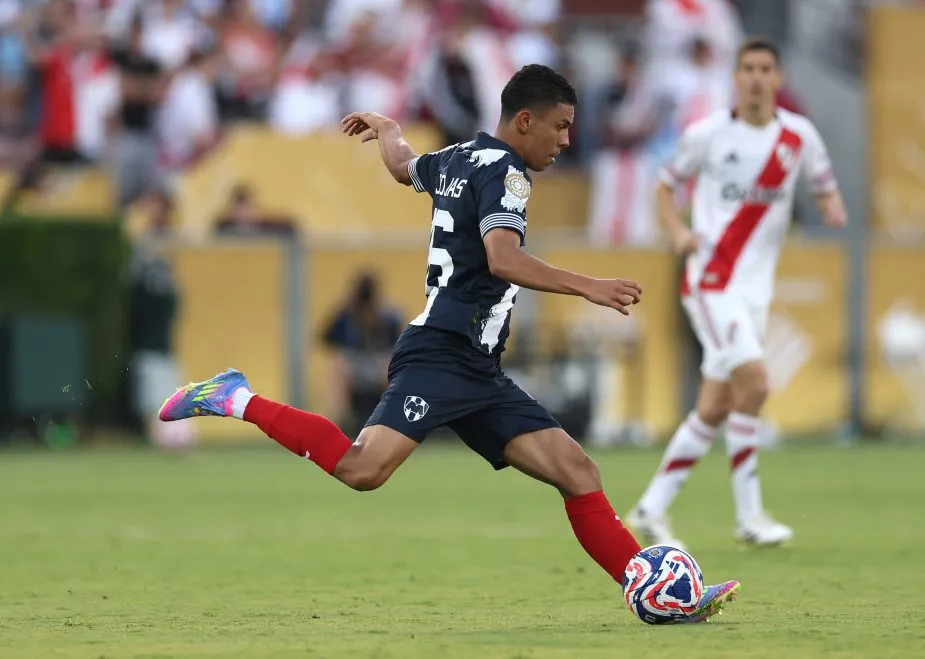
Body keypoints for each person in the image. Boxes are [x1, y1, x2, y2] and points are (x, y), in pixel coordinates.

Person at [157, 64, 739, 620]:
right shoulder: (506, 174)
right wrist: (589, 285)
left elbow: (402, 167)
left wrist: (389, 129)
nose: (566, 141)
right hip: (441, 352)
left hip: (476, 367)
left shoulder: (458, 158)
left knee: (577, 471)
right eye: (560, 126)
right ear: (525, 121)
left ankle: (656, 592)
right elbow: (502, 258)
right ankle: (235, 397)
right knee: (363, 469)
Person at [626, 38, 848, 549]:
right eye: (747, 68)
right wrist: (678, 233)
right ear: (735, 77)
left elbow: (824, 185)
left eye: (765, 69)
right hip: (711, 279)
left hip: (755, 288)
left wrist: (832, 206)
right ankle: (750, 516)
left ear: (778, 78)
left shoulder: (798, 136)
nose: (755, 77)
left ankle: (650, 507)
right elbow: (663, 186)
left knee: (715, 404)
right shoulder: (707, 135)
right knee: (756, 381)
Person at [321, 272, 403, 435]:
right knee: (339, 365)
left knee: (388, 365)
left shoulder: (387, 316)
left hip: (379, 362)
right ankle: (342, 420)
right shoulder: (346, 315)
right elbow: (327, 338)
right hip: (354, 362)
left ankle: (392, 417)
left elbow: (398, 343)